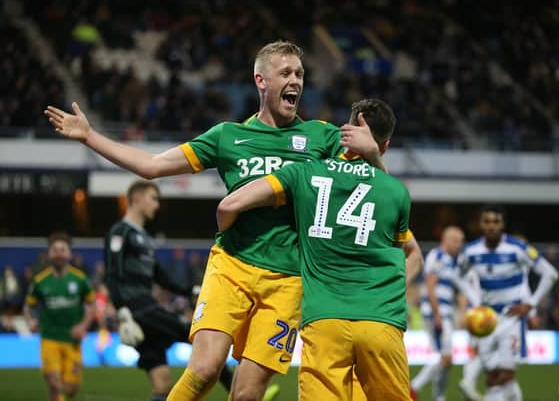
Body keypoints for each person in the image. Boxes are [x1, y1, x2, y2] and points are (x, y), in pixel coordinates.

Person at [45, 40, 383, 401]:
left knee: (246, 395)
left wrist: (374, 153)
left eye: (299, 73)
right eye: (285, 72)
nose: (295, 80)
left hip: (289, 282)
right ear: (261, 80)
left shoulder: (323, 137)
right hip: (231, 268)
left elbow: (376, 191)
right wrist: (90, 135)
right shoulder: (228, 137)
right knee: (205, 369)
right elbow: (152, 166)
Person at [216, 98, 423, 401]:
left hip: (325, 318)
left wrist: (231, 240)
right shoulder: (396, 191)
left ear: (345, 131)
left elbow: (229, 204)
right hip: (381, 320)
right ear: (386, 144)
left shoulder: (305, 173)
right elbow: (409, 249)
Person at [103, 180, 235, 401]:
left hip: (144, 313)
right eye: (153, 198)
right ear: (136, 199)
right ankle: (239, 393)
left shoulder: (144, 238)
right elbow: (112, 274)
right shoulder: (120, 232)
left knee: (162, 382)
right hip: (140, 310)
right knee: (202, 340)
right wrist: (122, 312)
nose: (156, 205)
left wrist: (190, 290)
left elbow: (160, 277)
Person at [457, 205, 558, 401]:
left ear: (502, 224)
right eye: (487, 221)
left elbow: (550, 274)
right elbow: (459, 276)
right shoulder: (471, 251)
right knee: (493, 376)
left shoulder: (518, 248)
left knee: (506, 373)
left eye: (496, 222)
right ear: (481, 224)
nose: (491, 226)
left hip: (512, 318)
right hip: (487, 320)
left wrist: (531, 304)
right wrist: (475, 300)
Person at [24, 232, 96, 401]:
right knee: (54, 384)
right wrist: (31, 320)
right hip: (49, 338)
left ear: (69, 254)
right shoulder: (40, 281)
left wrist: (83, 326)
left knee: (70, 389)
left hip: (73, 340)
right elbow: (28, 306)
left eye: (62, 250)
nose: (58, 254)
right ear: (49, 254)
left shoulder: (80, 279)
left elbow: (92, 304)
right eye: (54, 250)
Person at [411, 226, 465, 401]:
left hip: (445, 312)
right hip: (438, 313)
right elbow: (430, 285)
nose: (459, 245)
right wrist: (437, 314)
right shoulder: (438, 256)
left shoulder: (452, 261)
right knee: (446, 357)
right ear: (445, 240)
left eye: (461, 241)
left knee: (444, 359)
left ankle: (438, 396)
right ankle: (414, 387)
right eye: (455, 241)